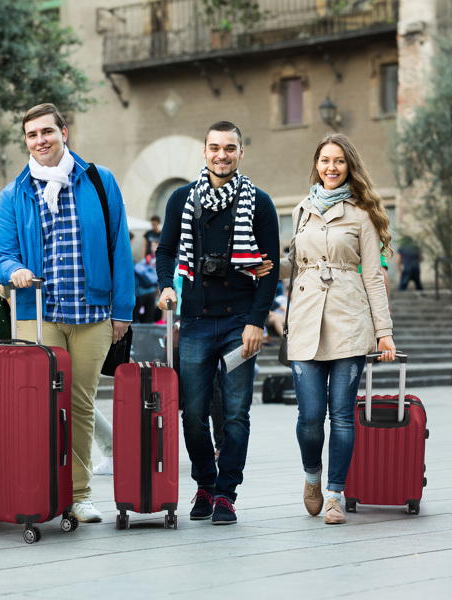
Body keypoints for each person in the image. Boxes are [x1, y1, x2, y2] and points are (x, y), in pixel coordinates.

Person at [0, 103, 134, 523]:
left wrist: (121, 311)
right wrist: (14, 269)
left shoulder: (99, 181)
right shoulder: (15, 194)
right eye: (32, 135)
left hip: (93, 314)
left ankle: (80, 494)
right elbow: (0, 253)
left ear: (64, 132)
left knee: (80, 404)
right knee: (46, 405)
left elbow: (118, 248)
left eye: (47, 132)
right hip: (43, 317)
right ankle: (44, 488)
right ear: (26, 141)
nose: (40, 141)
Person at [156, 120, 280, 525]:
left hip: (239, 322)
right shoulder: (181, 199)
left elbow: (269, 269)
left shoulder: (259, 203)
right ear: (205, 152)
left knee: (234, 413)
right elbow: (166, 250)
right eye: (214, 147)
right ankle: (204, 485)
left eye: (230, 148)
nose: (221, 155)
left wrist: (257, 322)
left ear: (240, 152)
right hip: (193, 322)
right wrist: (165, 287)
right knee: (192, 413)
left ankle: (226, 493)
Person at [274, 133, 396, 525]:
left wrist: (384, 331)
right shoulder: (301, 210)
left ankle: (333, 495)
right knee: (310, 416)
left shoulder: (362, 215)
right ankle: (313, 476)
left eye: (339, 161)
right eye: (325, 160)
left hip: (349, 318)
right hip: (307, 318)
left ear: (349, 167)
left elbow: (374, 277)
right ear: (317, 164)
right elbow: (297, 263)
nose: (331, 167)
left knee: (342, 415)